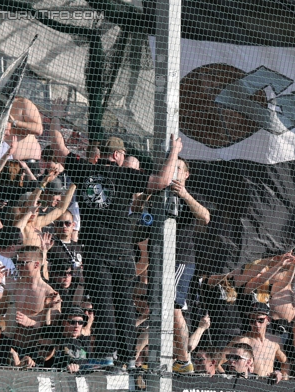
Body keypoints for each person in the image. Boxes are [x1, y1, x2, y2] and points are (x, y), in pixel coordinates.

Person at [61, 134, 180, 368]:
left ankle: (106, 353)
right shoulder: (126, 175)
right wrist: (174, 150)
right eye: (123, 155)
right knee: (125, 304)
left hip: (96, 251)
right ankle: (128, 357)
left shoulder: (84, 170)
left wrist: (54, 118)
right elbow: (163, 181)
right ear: (117, 155)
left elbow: (57, 147)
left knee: (103, 303)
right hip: (123, 251)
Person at [170, 157, 210, 370]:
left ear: (186, 174)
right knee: (160, 308)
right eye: (171, 168)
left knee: (173, 306)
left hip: (181, 258)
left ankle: (184, 359)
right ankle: (173, 356)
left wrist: (184, 194)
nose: (174, 172)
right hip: (160, 258)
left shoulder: (189, 195)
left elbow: (205, 217)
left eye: (178, 169)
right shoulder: (162, 191)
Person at [0, 246, 62, 353]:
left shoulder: (50, 294)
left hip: (33, 348)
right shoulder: (13, 285)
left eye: (23, 263)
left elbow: (52, 329)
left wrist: (31, 322)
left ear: (36, 264)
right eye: (17, 262)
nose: (18, 267)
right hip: (7, 343)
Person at [222, 303, 288, 379]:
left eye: (260, 320)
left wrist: (284, 379)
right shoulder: (242, 340)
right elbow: (218, 361)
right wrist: (225, 377)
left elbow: (285, 363)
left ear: (268, 319)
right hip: (249, 386)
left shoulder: (274, 341)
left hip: (269, 386)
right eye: (252, 321)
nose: (256, 324)